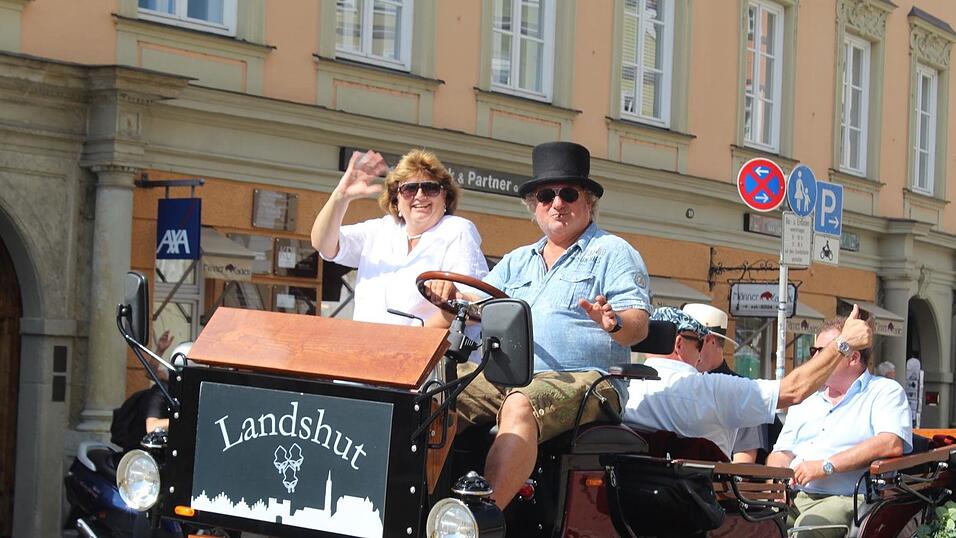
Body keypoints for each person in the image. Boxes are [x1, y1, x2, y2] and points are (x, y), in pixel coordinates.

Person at [437, 141, 653, 508]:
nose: (557, 203)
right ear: (533, 206)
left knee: (521, 404)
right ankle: (418, 507)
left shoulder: (613, 252)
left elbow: (639, 326)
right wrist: (449, 299)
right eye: (545, 195)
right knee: (434, 395)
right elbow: (478, 305)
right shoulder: (517, 260)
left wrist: (614, 323)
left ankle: (481, 520)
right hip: (510, 375)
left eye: (568, 194)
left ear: (588, 202)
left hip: (589, 379)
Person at [622, 306, 873, 463]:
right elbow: (794, 390)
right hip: (699, 510)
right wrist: (843, 344)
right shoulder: (712, 389)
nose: (700, 354)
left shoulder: (622, 387)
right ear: (679, 344)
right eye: (700, 343)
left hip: (627, 506)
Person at [767, 318, 912, 537]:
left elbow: (890, 442)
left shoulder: (884, 391)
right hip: (794, 496)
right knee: (752, 524)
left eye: (825, 351)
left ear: (853, 358)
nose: (815, 359)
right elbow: (781, 452)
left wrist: (826, 466)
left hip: (847, 498)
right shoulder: (806, 398)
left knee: (808, 530)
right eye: (814, 351)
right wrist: (776, 484)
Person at [311, 148, 488, 324]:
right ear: (396, 200)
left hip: (426, 342)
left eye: (430, 188)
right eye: (409, 189)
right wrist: (340, 197)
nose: (420, 195)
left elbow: (476, 307)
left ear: (446, 197)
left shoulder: (457, 230)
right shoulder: (380, 230)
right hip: (364, 340)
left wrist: (419, 334)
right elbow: (324, 245)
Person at [682, 303, 782, 463]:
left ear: (709, 341)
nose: (680, 348)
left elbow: (744, 462)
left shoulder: (741, 391)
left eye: (689, 341)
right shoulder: (684, 384)